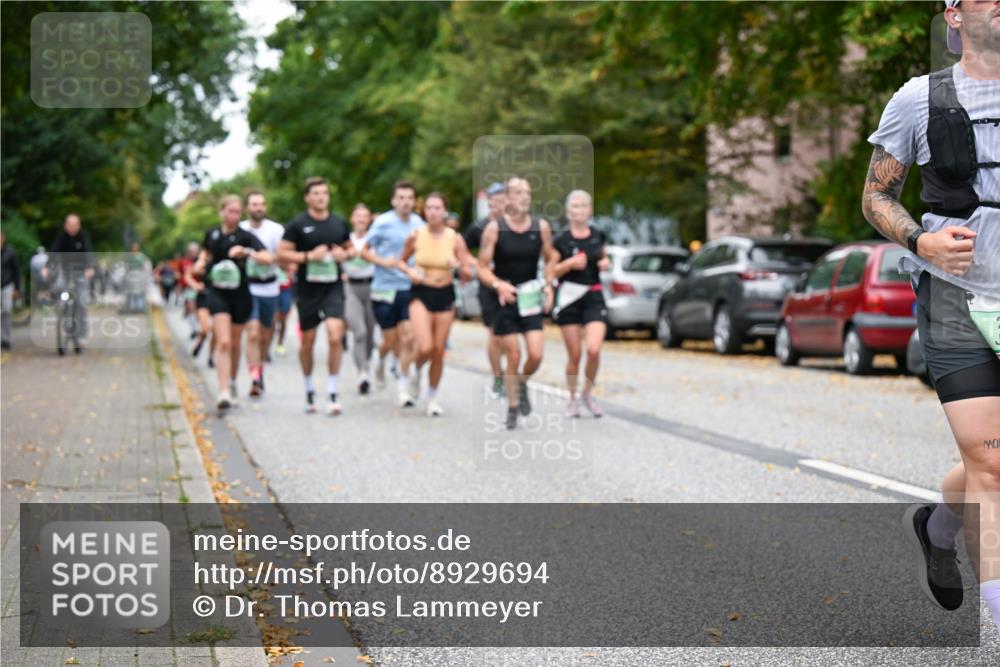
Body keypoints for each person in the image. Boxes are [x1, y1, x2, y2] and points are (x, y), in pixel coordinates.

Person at [861, 0, 999, 631]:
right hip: (954, 298)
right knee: (992, 463)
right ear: (954, 14)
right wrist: (922, 242)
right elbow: (876, 195)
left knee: (990, 459)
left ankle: (937, 527)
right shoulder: (919, 98)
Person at [476, 176, 558, 430]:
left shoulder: (541, 227)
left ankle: (521, 382)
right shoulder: (495, 229)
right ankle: (512, 407)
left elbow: (551, 257)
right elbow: (482, 267)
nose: (524, 197)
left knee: (536, 354)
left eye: (528, 193)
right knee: (514, 354)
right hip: (506, 298)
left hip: (530, 296)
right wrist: (498, 285)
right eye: (519, 192)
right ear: (508, 197)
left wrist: (549, 285)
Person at [278, 176, 354, 415]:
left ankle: (332, 391)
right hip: (308, 289)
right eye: (316, 193)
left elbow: (350, 248)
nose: (321, 197)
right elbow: (282, 253)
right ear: (307, 198)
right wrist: (309, 256)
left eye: (325, 193)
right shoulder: (298, 224)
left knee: (335, 335)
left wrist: (344, 254)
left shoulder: (338, 222)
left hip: (333, 287)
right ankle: (309, 388)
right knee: (308, 341)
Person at [191, 195, 271, 410]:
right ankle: (223, 390)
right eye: (230, 211)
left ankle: (233, 383)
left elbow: (268, 257)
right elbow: (205, 253)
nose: (234, 216)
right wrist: (200, 263)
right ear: (222, 212)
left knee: (235, 343)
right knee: (224, 342)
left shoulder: (245, 236)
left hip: (240, 294)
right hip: (217, 293)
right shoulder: (212, 233)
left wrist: (247, 252)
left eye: (237, 212)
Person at [399, 192, 472, 416]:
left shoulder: (455, 238)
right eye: (429, 208)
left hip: (445, 294)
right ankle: (416, 371)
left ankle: (432, 398)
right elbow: (401, 261)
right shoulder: (416, 235)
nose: (433, 212)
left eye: (437, 208)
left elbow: (467, 273)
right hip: (421, 292)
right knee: (425, 347)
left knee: (438, 351)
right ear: (424, 212)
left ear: (445, 211)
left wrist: (457, 265)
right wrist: (410, 272)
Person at [362, 180, 426, 407]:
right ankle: (380, 360)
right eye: (401, 198)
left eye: (409, 198)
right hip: (384, 287)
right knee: (390, 341)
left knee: (408, 337)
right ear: (393, 200)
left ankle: (402, 388)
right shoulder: (383, 223)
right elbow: (364, 252)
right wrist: (383, 262)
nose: (405, 202)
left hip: (408, 287)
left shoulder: (419, 224)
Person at [552, 190, 610, 417]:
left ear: (590, 210)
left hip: (593, 295)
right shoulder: (561, 240)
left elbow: (603, 257)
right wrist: (569, 264)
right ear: (568, 211)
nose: (580, 210)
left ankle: (587, 393)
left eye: (584, 206)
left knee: (594, 350)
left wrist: (605, 263)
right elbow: (551, 271)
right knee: (575, 355)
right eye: (575, 206)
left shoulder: (598, 235)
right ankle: (572, 398)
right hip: (569, 297)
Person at [464, 182, 508, 398]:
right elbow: (461, 247)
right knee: (495, 335)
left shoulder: (514, 226)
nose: (497, 205)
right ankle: (498, 377)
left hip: (510, 284)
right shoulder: (479, 227)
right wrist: (477, 264)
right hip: (488, 286)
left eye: (501, 201)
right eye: (493, 201)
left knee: (510, 336)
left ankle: (510, 374)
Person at [240, 190, 285, 398]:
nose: (259, 208)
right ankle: (254, 378)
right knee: (253, 333)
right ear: (247, 207)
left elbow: (282, 257)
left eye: (262, 204)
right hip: (247, 288)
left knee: (266, 335)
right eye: (254, 204)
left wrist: (259, 256)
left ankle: (260, 369)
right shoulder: (240, 229)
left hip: (269, 287)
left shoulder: (276, 230)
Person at [47, 213, 95, 346]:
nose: (72, 227)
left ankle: (82, 335)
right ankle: (62, 311)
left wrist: (89, 267)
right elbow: (54, 251)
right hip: (66, 271)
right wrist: (47, 267)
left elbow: (88, 252)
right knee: (59, 289)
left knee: (81, 302)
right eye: (70, 225)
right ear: (65, 225)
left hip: (81, 272)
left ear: (79, 225)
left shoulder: (83, 236)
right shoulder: (62, 237)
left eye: (75, 225)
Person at [344, 203, 377, 394]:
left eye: (365, 216)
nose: (361, 220)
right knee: (359, 331)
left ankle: (367, 362)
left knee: (371, 333)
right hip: (351, 288)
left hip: (372, 287)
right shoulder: (345, 240)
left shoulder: (375, 239)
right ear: (352, 219)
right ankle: (361, 373)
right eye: (358, 216)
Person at [1, 231, 21, 350]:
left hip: (7, 285)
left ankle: (6, 339)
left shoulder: (10, 252)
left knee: (6, 311)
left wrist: (17, 288)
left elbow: (16, 270)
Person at [179, 242, 200, 337]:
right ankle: (195, 329)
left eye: (195, 251)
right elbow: (181, 275)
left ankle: (197, 328)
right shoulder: (184, 262)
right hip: (188, 288)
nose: (194, 253)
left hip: (199, 288)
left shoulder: (200, 261)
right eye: (192, 251)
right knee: (190, 308)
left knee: (195, 309)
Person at [273, 260, 294, 357]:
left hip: (286, 290)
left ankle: (280, 344)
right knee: (273, 320)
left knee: (283, 320)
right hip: (272, 290)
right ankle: (266, 346)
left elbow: (293, 265)